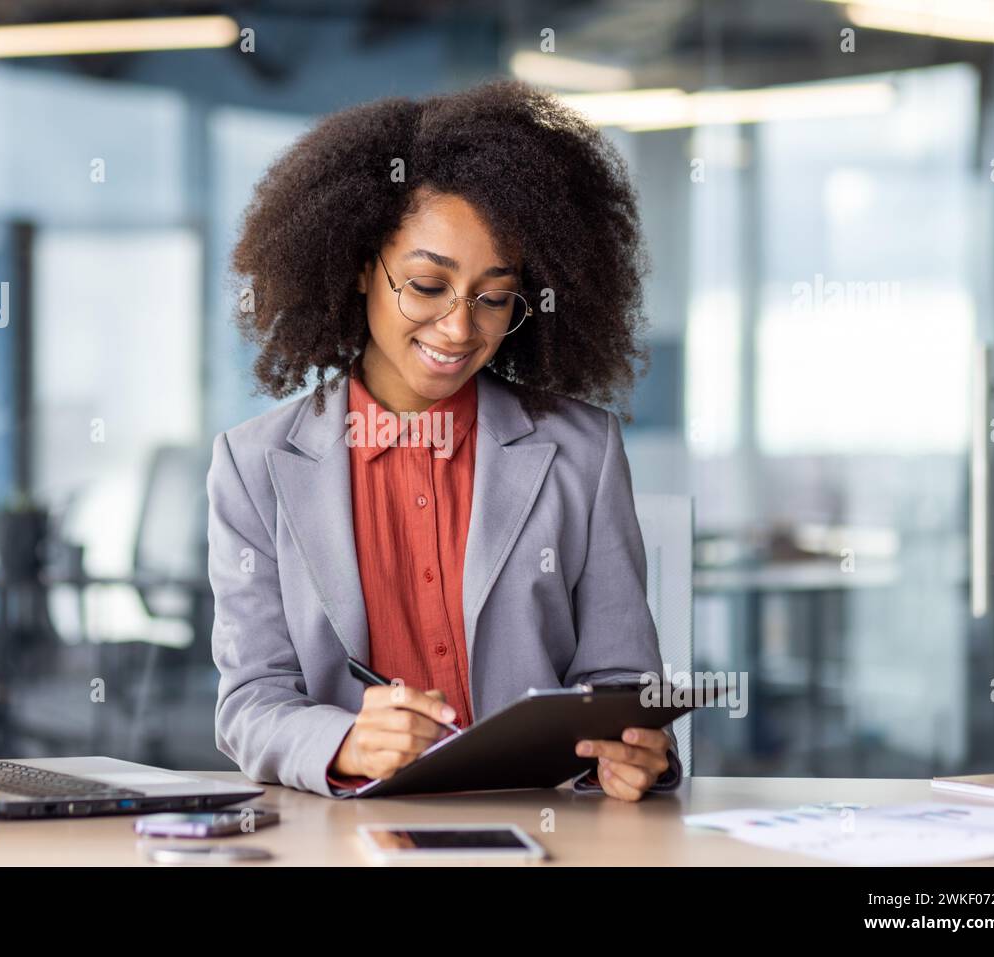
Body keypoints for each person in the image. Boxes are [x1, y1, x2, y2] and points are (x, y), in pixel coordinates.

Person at [207, 80, 680, 800]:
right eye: (427, 286)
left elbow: (622, 683)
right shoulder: (252, 468)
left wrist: (644, 752)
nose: (460, 330)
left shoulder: (583, 452)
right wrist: (345, 740)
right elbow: (251, 701)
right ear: (363, 267)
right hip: (348, 842)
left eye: (494, 298)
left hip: (545, 833)